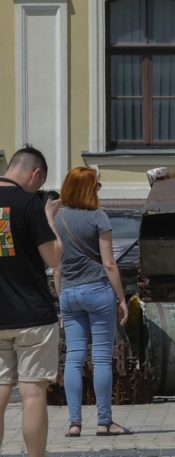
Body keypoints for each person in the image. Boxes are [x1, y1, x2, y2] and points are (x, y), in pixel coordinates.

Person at [53, 167, 132, 438]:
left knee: (73, 359)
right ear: (90, 189)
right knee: (101, 358)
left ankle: (74, 424)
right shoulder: (98, 216)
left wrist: (60, 298)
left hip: (69, 294)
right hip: (98, 292)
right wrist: (122, 299)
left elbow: (57, 266)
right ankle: (104, 422)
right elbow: (109, 263)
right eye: (96, 186)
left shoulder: (58, 217)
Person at [0, 146, 61, 457]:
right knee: (33, 394)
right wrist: (49, 217)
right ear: (35, 174)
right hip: (33, 316)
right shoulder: (29, 204)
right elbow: (54, 258)